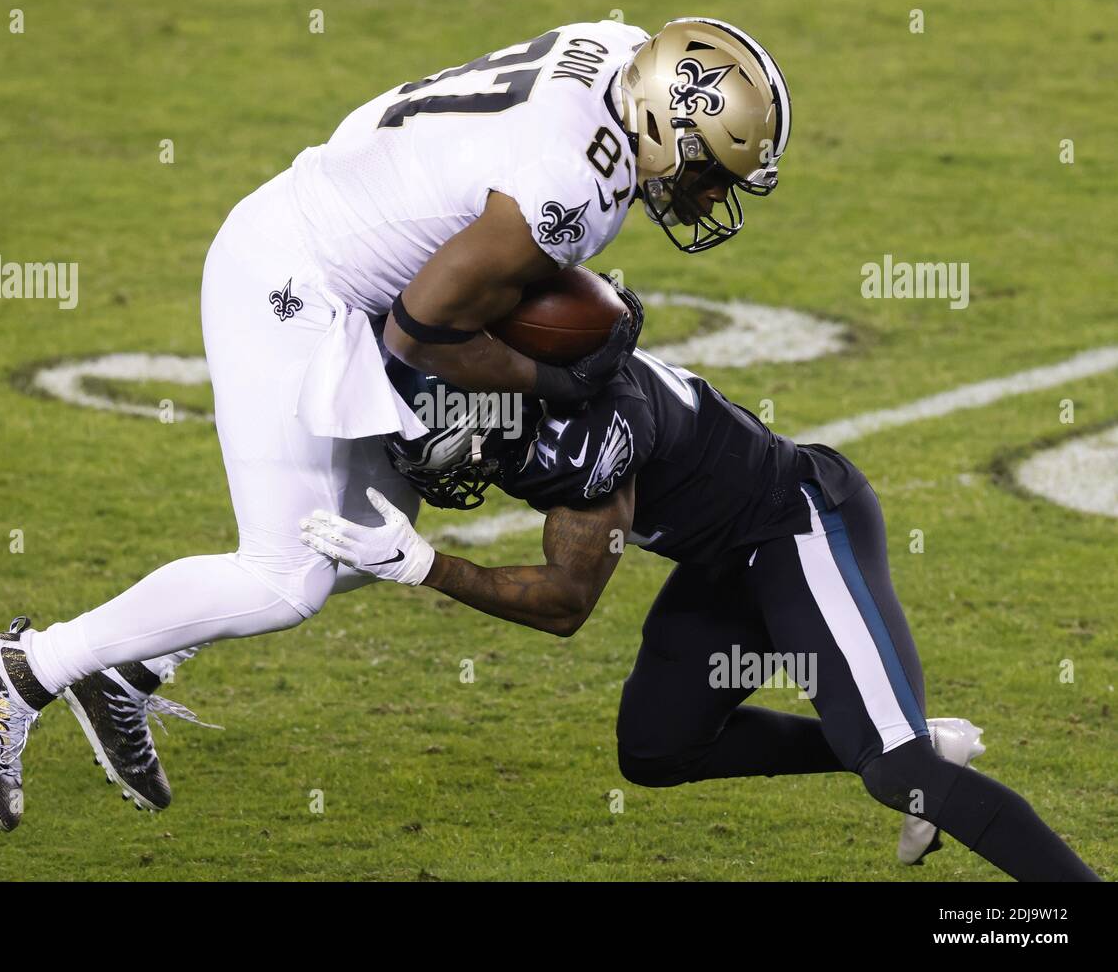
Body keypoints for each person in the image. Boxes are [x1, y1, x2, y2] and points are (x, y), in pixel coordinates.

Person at [0, 17, 792, 831]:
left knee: (365, 537)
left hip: (339, 250)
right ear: (662, 126)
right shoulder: (570, 191)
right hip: (292, 281)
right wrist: (555, 382)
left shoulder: (611, 48)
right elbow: (423, 332)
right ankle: (18, 671)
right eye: (709, 168)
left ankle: (129, 665)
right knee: (285, 578)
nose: (710, 193)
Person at [298, 351, 1101, 881]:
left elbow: (565, 604)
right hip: (725, 557)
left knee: (898, 774)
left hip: (799, 526)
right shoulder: (514, 354)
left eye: (457, 453)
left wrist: (429, 567)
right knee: (657, 748)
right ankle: (924, 745)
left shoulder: (584, 446)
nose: (457, 475)